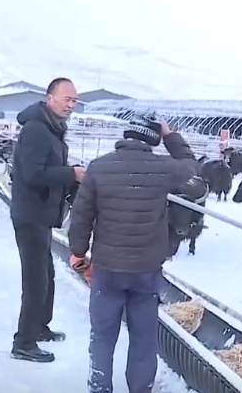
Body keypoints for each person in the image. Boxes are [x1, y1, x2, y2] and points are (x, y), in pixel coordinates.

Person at [67, 112, 197, 393]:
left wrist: (78, 253)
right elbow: (190, 166)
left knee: (102, 336)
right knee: (143, 338)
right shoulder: (162, 168)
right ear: (151, 140)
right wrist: (170, 136)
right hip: (146, 272)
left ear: (126, 136)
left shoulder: (99, 168)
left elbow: (81, 217)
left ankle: (99, 387)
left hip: (107, 270)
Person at [10, 77, 86, 363]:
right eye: (67, 99)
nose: (71, 105)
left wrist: (69, 175)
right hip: (30, 214)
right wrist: (71, 174)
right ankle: (24, 342)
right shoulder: (36, 130)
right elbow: (32, 173)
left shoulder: (52, 129)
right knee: (35, 279)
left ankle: (39, 327)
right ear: (49, 97)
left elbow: (47, 169)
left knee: (47, 276)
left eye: (74, 100)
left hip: (41, 214)